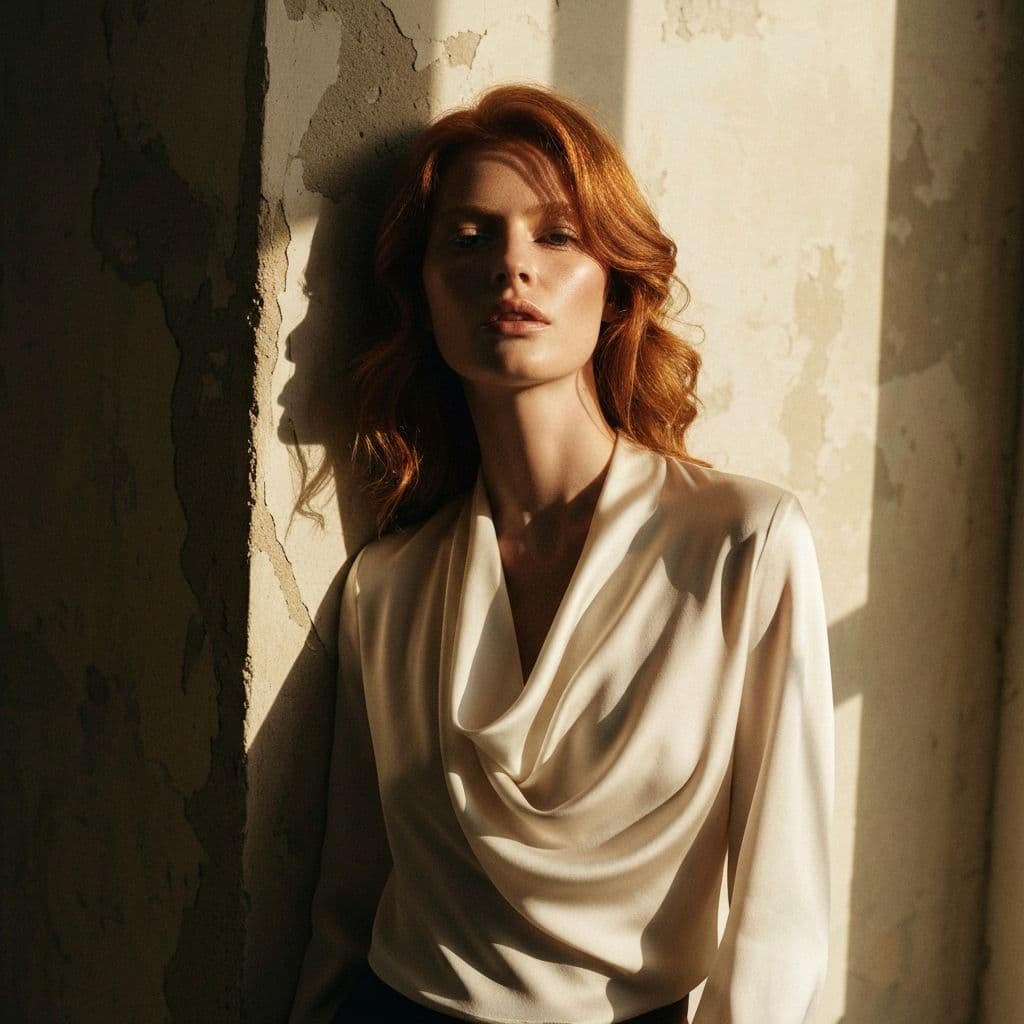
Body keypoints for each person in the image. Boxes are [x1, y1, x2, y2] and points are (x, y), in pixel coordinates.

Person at [289, 84, 834, 1024]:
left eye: (556, 236)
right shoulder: (389, 584)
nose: (512, 269)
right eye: (468, 238)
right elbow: (347, 901)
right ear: (420, 291)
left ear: (616, 279)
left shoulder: (743, 546)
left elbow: (784, 915)